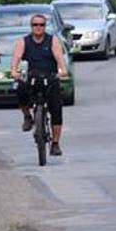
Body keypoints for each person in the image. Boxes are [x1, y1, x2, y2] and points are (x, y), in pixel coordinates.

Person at [10, 14, 69, 156]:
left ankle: (55, 143)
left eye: (41, 25)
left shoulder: (52, 40)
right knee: (20, 89)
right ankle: (27, 116)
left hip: (50, 77)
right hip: (31, 77)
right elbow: (17, 57)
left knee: (56, 107)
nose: (38, 27)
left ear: (45, 26)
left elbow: (59, 56)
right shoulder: (23, 41)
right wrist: (14, 71)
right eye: (35, 25)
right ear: (31, 27)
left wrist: (63, 70)